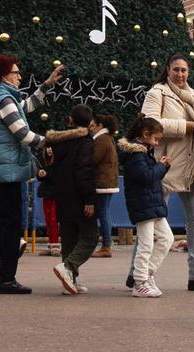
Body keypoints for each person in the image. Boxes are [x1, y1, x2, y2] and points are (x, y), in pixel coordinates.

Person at [0, 55, 62, 295]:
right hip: (6, 170)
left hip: (1, 169)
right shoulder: (4, 99)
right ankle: (6, 279)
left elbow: (26, 107)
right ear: (4, 76)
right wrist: (52, 140)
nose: (20, 76)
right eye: (16, 72)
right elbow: (23, 134)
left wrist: (46, 85)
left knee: (7, 222)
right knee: (11, 225)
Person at [138, 53, 194, 292]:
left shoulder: (192, 96)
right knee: (151, 220)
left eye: (184, 70)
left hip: (192, 167)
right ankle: (138, 272)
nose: (180, 74)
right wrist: (185, 127)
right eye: (176, 70)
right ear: (167, 70)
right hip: (165, 167)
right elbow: (149, 124)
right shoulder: (157, 93)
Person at [47, 104, 100, 295]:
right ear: (91, 122)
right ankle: (68, 267)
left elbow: (52, 168)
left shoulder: (58, 142)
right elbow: (84, 170)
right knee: (90, 236)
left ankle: (71, 281)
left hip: (62, 196)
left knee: (69, 238)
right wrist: (89, 199)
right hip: (79, 196)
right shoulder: (86, 142)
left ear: (70, 120)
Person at [119, 115, 173, 298]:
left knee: (167, 238)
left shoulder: (143, 153)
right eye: (156, 139)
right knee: (146, 244)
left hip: (150, 204)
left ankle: (146, 274)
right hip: (143, 204)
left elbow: (150, 176)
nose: (157, 143)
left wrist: (161, 167)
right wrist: (161, 166)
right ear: (145, 134)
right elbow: (146, 177)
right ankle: (140, 281)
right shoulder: (135, 155)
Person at [90, 114, 120, 257]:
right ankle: (105, 245)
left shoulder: (101, 140)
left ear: (100, 125)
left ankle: (106, 246)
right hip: (108, 181)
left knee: (102, 212)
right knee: (104, 212)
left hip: (102, 182)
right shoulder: (108, 138)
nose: (91, 129)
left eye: (93, 126)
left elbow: (93, 159)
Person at [35, 148, 61, 257]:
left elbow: (59, 176)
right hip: (46, 194)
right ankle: (50, 245)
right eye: (48, 147)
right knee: (48, 219)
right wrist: (39, 173)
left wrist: (46, 174)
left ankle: (55, 245)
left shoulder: (60, 161)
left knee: (54, 219)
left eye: (52, 147)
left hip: (56, 194)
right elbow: (41, 175)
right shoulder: (44, 160)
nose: (50, 150)